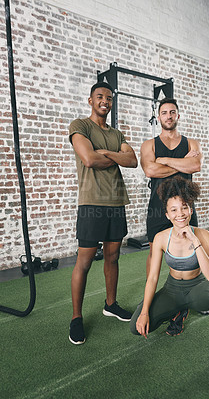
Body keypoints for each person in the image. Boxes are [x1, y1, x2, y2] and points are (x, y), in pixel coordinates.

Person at [130, 176, 209, 387]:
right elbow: (152, 278)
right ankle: (177, 312)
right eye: (174, 210)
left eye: (184, 208)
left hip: (197, 292)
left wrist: (195, 242)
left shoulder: (204, 235)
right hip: (172, 291)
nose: (180, 214)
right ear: (167, 215)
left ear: (191, 210)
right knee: (135, 327)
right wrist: (143, 313)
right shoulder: (161, 238)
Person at [68, 81, 138, 345]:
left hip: (116, 202)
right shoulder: (80, 126)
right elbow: (88, 159)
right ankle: (76, 317)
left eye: (109, 98)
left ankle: (111, 304)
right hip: (91, 203)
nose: (105, 102)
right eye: (100, 97)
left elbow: (132, 161)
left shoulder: (117, 134)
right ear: (90, 100)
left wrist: (106, 152)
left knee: (113, 257)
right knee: (84, 262)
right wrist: (114, 156)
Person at [140, 97, 204, 335]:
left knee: (190, 254)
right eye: (164, 112)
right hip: (158, 208)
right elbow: (150, 169)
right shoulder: (149, 145)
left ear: (178, 115)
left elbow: (196, 166)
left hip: (185, 207)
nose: (168, 116)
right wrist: (182, 164)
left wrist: (165, 161)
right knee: (154, 254)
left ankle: (184, 305)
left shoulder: (191, 142)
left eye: (172, 112)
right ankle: (153, 301)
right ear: (159, 117)